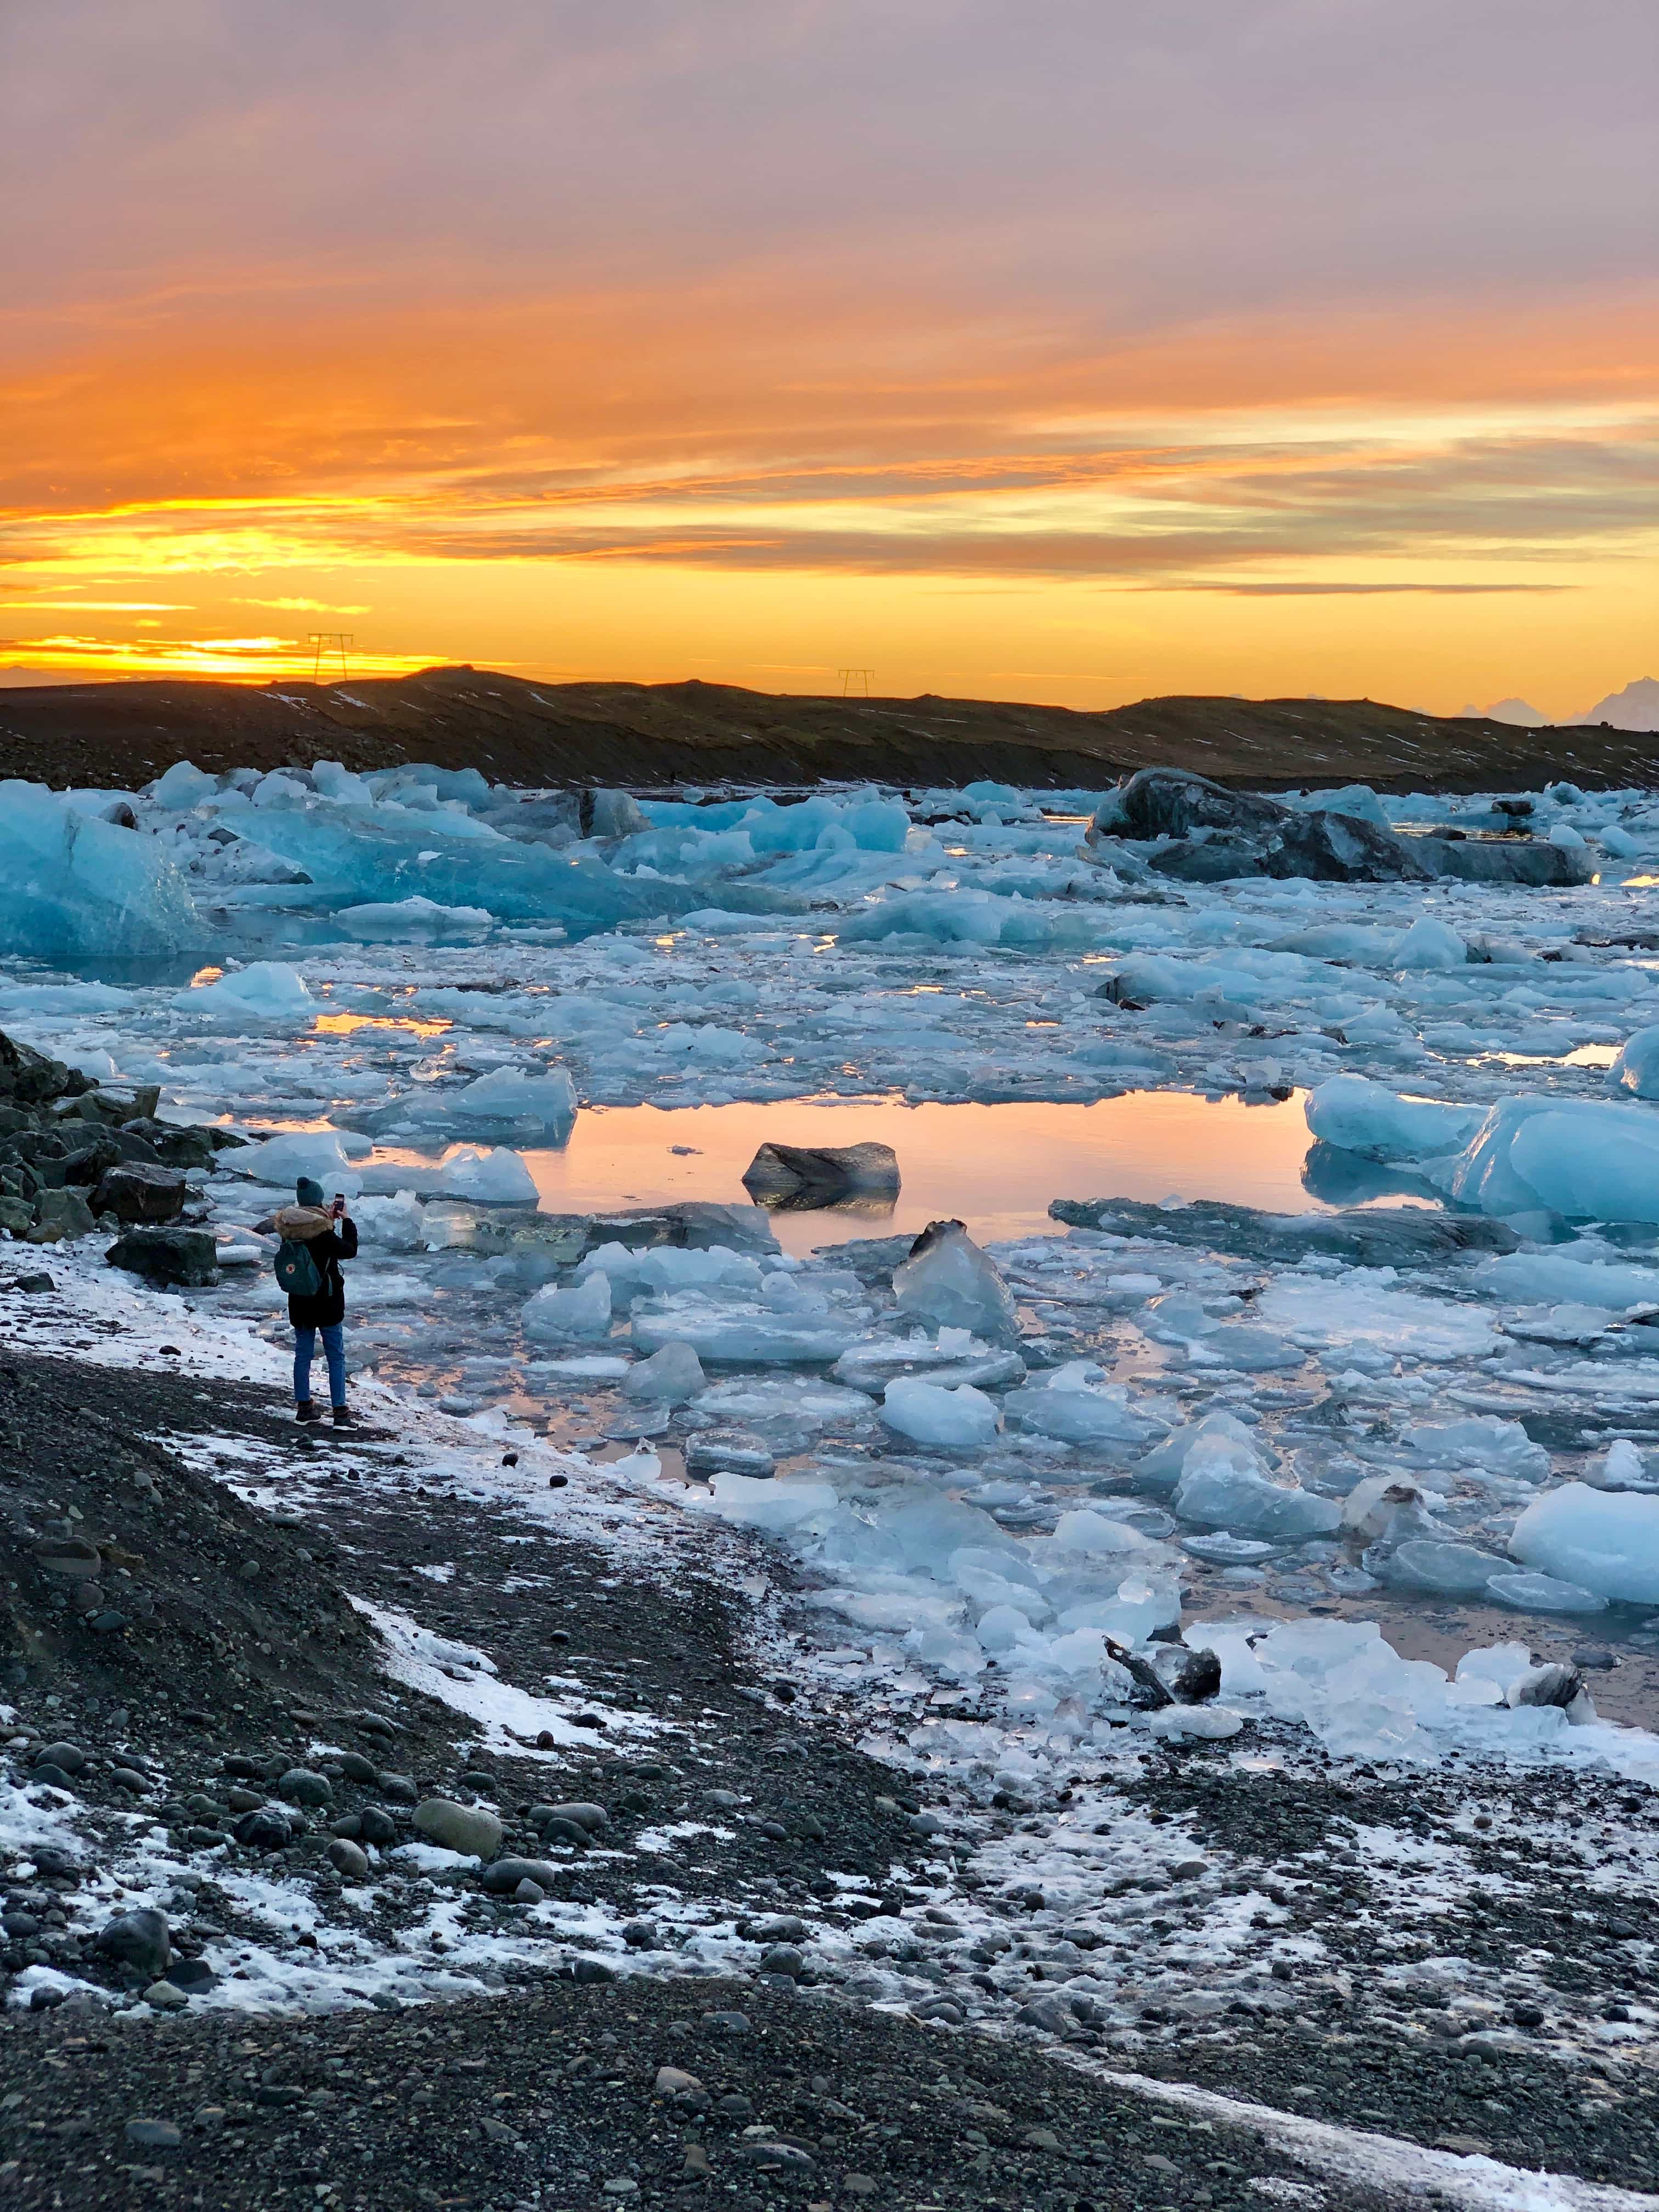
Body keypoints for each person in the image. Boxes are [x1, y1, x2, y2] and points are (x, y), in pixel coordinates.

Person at [274, 1175, 359, 1426]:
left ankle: (304, 1408)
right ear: (319, 1201)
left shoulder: (289, 1230)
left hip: (300, 1300)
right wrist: (347, 1220)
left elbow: (311, 1231)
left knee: (303, 1353)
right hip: (327, 1301)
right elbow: (349, 1250)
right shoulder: (322, 1234)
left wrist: (327, 1220)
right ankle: (340, 1414)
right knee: (335, 1355)